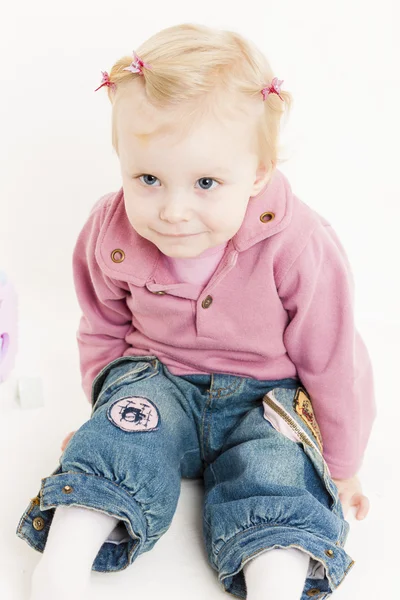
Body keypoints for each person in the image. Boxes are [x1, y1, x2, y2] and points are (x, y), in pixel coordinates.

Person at [16, 22, 376, 600]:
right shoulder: (109, 231)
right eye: (149, 179)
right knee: (125, 432)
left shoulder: (298, 243)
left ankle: (274, 585)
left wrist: (341, 458)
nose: (173, 211)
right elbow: (102, 326)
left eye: (206, 182)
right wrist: (105, 409)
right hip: (163, 379)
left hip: (268, 398)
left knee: (277, 471)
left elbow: (332, 357)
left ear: (257, 174)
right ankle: (59, 568)